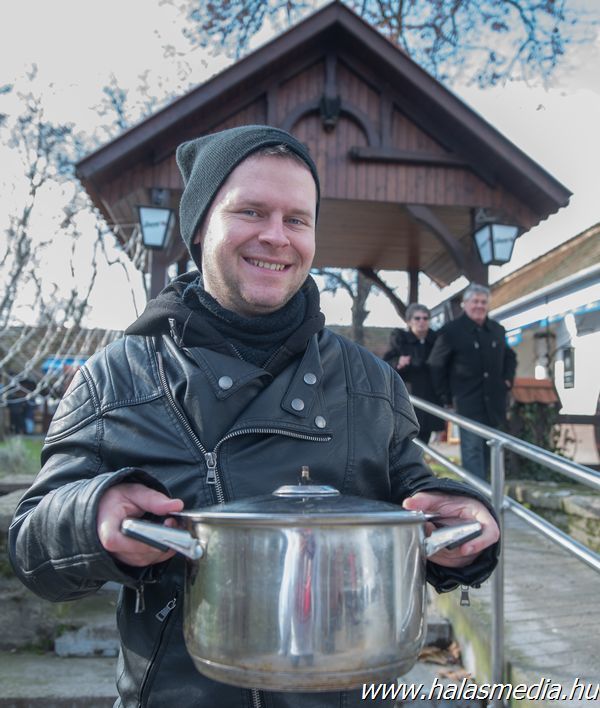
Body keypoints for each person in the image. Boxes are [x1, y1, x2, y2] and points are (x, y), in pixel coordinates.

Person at [9, 126, 500, 708]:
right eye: (251, 211)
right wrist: (91, 517)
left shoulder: (372, 382)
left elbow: (412, 497)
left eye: (297, 219)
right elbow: (31, 547)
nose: (276, 236)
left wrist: (460, 519)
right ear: (200, 226)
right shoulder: (114, 377)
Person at [428, 283, 517, 480]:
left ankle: (488, 492)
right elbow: (436, 364)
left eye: (483, 302)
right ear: (465, 304)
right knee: (472, 450)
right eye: (475, 301)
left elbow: (510, 356)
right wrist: (446, 396)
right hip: (467, 402)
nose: (479, 306)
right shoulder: (451, 331)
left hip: (493, 403)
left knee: (490, 450)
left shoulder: (497, 330)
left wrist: (507, 380)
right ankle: (476, 494)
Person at [383, 303, 445, 444]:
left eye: (425, 318)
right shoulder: (400, 340)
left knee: (423, 443)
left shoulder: (436, 342)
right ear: (409, 321)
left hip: (430, 399)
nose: (421, 321)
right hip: (408, 398)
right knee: (405, 442)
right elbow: (385, 364)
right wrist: (398, 362)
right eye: (417, 318)